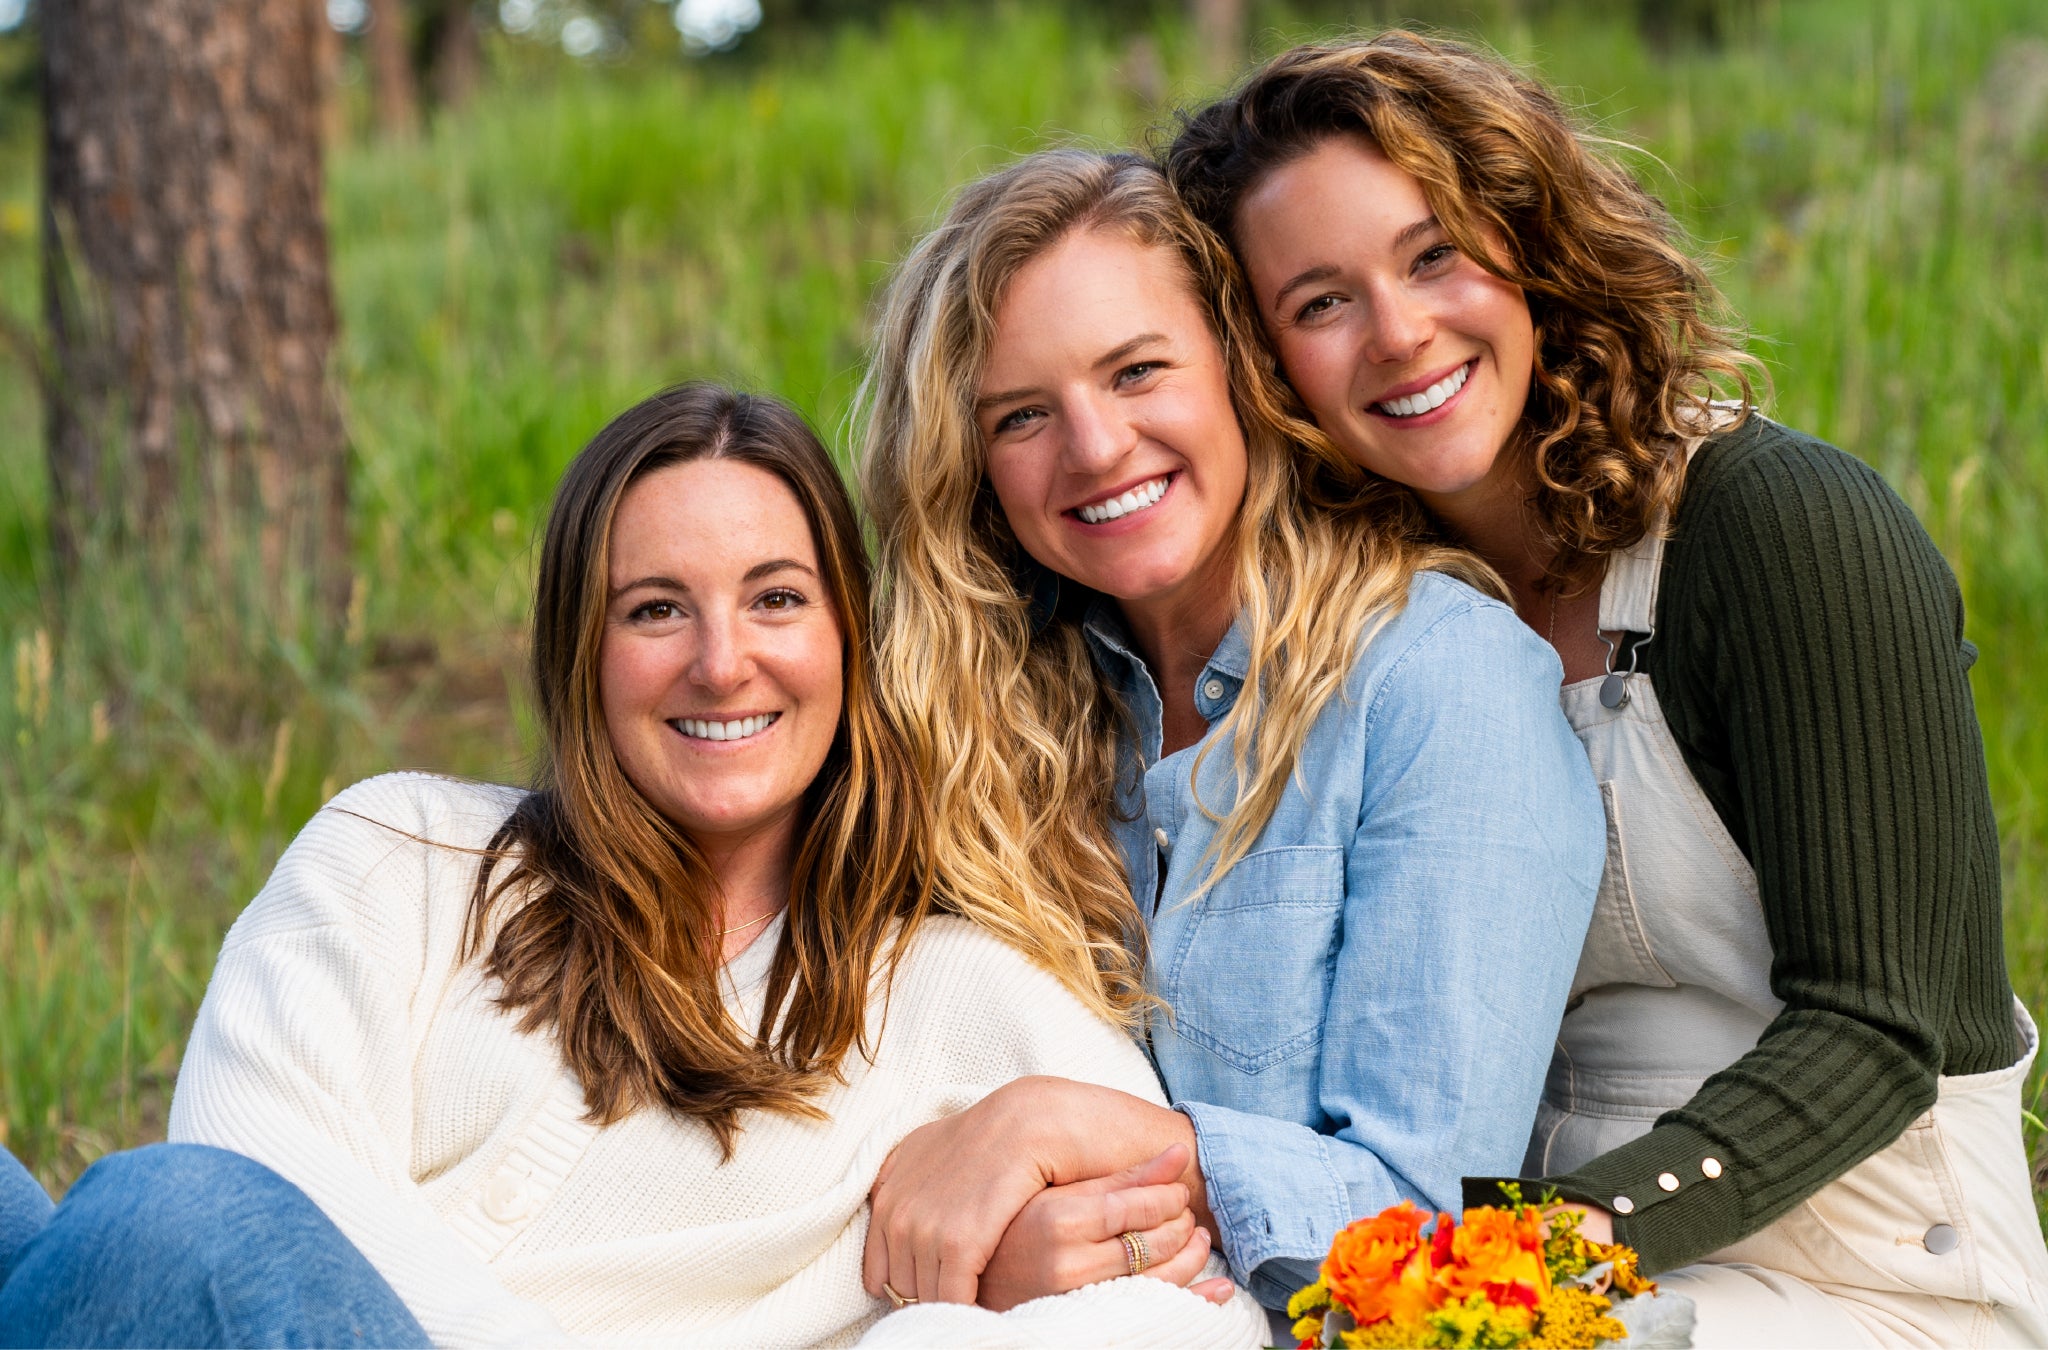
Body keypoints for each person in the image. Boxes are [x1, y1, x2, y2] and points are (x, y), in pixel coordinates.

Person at [0, 382, 1265, 1348]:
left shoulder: (954, 987)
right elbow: (260, 1168)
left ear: (848, 641)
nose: (721, 662)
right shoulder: (402, 857)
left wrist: (958, 1309)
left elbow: (1198, 1317)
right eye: (655, 609)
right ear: (581, 651)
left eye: (776, 599)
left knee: (160, 1226)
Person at [1163, 29, 2048, 1346]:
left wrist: (1516, 1273)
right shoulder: (1374, 616)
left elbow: (1881, 1026)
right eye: (1320, 302)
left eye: (1434, 254)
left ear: (1533, 247)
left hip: (1871, 1270)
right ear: (1262, 361)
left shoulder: (1775, 528)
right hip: (1528, 1255)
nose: (1400, 334)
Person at [853, 148, 1605, 1323]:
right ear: (974, 466)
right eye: (1023, 417)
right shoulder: (980, 718)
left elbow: (1438, 1218)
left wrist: (1075, 1139)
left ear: (1238, 371)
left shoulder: (1434, 679)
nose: (1095, 449)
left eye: (1137, 371)